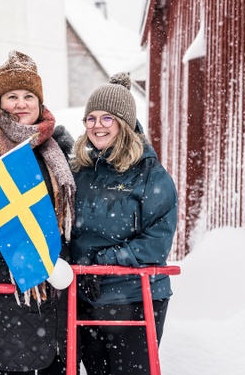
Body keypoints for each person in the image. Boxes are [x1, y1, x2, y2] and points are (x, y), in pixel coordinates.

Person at [0, 51, 76, 375]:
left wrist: (54, 262)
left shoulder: (55, 151)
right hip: (8, 289)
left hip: (56, 289)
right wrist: (35, 262)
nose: (21, 104)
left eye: (29, 96)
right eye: (12, 96)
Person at [70, 73, 178, 375]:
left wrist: (105, 262)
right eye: (90, 118)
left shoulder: (150, 175)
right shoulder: (81, 170)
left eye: (107, 117)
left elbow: (157, 241)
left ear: (124, 123)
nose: (97, 125)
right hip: (86, 297)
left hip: (134, 297)